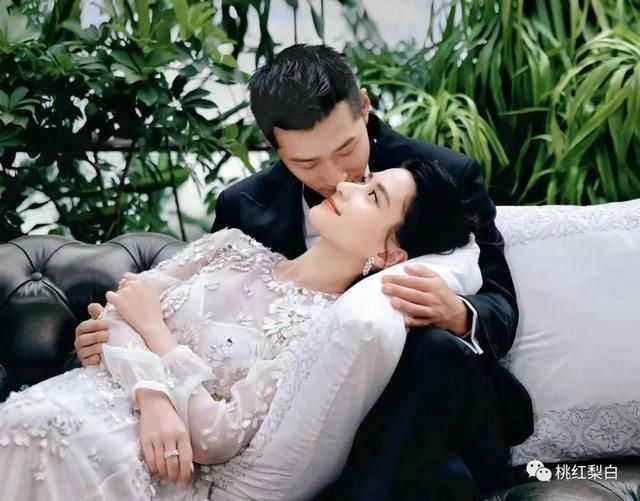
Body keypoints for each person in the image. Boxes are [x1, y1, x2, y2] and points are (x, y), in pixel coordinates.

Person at [73, 44, 534, 500]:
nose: (335, 178)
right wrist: (116, 335)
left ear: (365, 108)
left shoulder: (442, 174)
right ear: (274, 146)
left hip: (421, 399)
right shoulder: (244, 208)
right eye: (306, 163)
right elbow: (208, 327)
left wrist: (458, 312)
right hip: (289, 428)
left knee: (430, 353)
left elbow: (500, 302)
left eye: (346, 149)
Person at [0, 159, 477, 500]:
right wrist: (153, 394)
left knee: (38, 431)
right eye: (365, 181)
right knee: (23, 422)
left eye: (372, 197)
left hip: (145, 454)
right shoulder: (230, 246)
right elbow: (122, 306)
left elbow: (216, 434)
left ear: (389, 255)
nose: (346, 187)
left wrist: (154, 332)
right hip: (84, 401)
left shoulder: (318, 329)